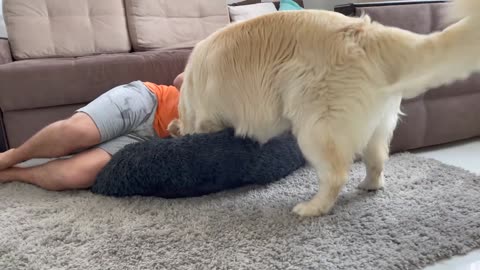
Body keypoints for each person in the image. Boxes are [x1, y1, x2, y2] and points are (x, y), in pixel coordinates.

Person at [0, 73, 184, 191]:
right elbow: (180, 81)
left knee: (75, 175)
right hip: (149, 100)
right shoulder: (211, 55)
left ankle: (12, 174)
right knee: (77, 131)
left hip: (148, 140)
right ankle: (14, 156)